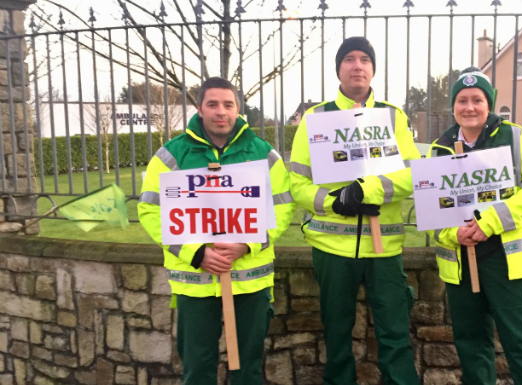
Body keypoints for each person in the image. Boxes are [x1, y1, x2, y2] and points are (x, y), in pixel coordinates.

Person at [138, 77, 295, 385]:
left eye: (228, 105)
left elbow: (283, 206)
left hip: (249, 283)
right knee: (197, 370)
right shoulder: (171, 156)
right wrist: (195, 253)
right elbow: (150, 210)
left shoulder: (264, 154)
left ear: (238, 110)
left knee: (248, 370)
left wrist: (247, 244)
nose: (220, 112)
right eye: (212, 104)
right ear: (199, 108)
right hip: (195, 283)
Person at [289, 36, 421, 385]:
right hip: (332, 249)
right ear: (339, 69)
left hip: (385, 247)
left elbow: (414, 175)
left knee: (395, 335)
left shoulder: (393, 117)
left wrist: (369, 189)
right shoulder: (315, 119)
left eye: (365, 59)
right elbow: (297, 185)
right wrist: (335, 202)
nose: (357, 65)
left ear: (373, 69)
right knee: (336, 338)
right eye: (349, 58)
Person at [426, 67, 522, 385]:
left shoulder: (515, 137)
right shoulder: (439, 148)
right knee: (472, 350)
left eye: (477, 99)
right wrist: (452, 233)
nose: (469, 107)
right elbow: (432, 213)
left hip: (508, 262)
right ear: (453, 106)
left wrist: (490, 222)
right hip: (462, 264)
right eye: (462, 100)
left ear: (489, 104)